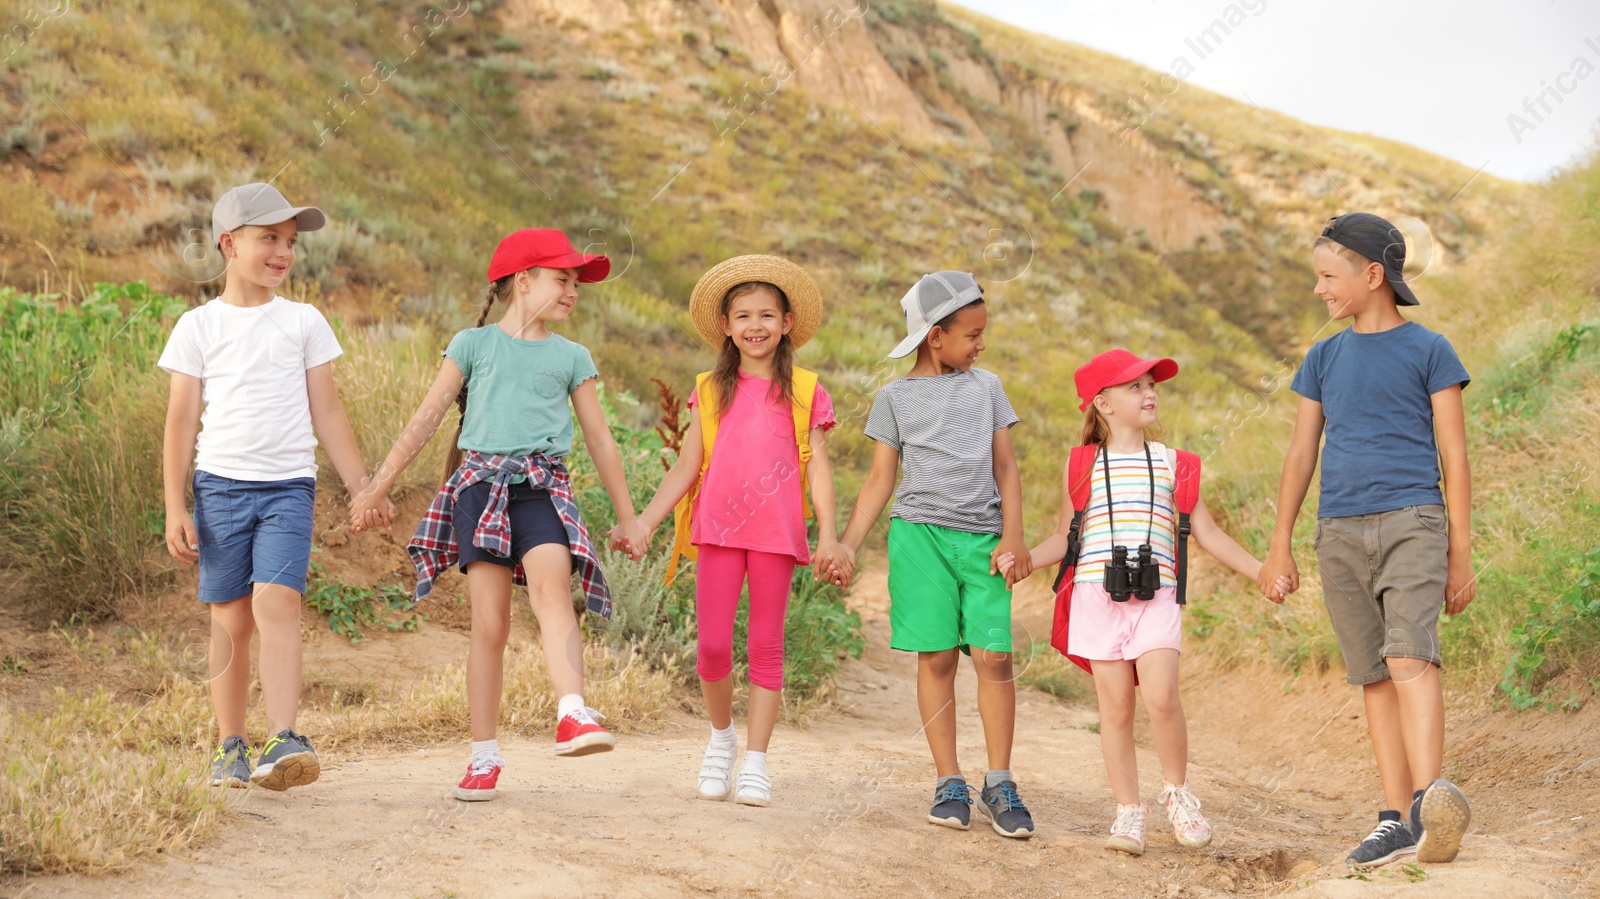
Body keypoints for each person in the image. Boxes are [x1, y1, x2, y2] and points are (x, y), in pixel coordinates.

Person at [352, 229, 641, 802]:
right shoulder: (473, 344)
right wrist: (375, 487)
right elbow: (427, 418)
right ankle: (484, 754)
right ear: (522, 280)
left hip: (542, 489)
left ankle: (573, 712)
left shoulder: (572, 357)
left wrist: (630, 518)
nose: (573, 291)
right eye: (564, 279)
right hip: (479, 489)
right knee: (490, 627)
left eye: (576, 283)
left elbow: (601, 440)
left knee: (553, 589)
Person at [1000, 349, 1289, 856]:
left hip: (1157, 595)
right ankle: (1129, 813)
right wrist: (1024, 560)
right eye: (1134, 386)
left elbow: (1208, 533)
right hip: (1096, 594)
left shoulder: (1177, 464)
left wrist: (1261, 570)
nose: (1149, 392)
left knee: (1160, 698)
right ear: (1103, 404)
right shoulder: (1083, 465)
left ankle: (1179, 795)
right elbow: (1068, 538)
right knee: (1115, 708)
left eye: (1151, 383)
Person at [1258, 213, 1474, 868]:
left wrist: (1459, 551)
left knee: (1411, 658)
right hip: (1339, 531)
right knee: (1375, 676)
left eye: (1329, 276)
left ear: (1372, 275)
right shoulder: (1322, 358)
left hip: (1413, 519)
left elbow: (1454, 454)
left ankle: (1430, 808)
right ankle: (1394, 816)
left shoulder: (1430, 349)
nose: (1320, 289)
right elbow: (1300, 455)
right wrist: (1280, 543)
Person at [161, 183, 392, 791]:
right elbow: (182, 420)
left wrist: (362, 487)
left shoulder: (303, 321)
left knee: (277, 602)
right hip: (218, 490)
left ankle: (283, 739)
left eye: (291, 242)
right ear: (228, 243)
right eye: (270, 239)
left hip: (289, 486)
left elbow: (330, 414)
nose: (284, 253)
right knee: (231, 619)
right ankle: (229, 747)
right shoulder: (198, 326)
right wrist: (173, 505)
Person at [614, 255, 840, 808]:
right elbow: (687, 464)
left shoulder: (806, 390)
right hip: (717, 529)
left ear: (787, 323)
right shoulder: (710, 390)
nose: (755, 325)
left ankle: (757, 761)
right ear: (727, 326)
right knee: (712, 647)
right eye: (743, 315)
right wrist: (645, 520)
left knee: (766, 645)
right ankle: (721, 738)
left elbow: (819, 468)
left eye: (767, 314)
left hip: (777, 533)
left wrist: (830, 535)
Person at [824, 271, 1035, 839]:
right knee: (937, 658)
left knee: (993, 656)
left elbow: (1007, 468)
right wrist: (847, 543)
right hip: (919, 538)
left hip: (984, 541)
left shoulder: (987, 388)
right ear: (934, 336)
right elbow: (877, 481)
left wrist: (1013, 536)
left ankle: (1000, 780)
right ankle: (949, 779)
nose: (981, 344)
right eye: (972, 335)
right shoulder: (894, 397)